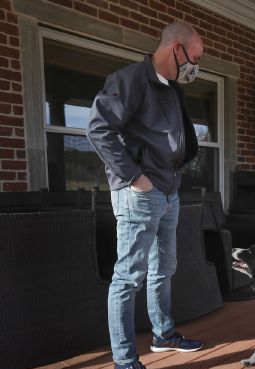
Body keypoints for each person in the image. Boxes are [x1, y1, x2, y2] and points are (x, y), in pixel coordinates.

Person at [87, 21, 204, 369]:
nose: (196, 66)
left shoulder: (170, 88)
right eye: (195, 57)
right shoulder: (133, 79)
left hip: (168, 192)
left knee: (163, 269)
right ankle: (124, 360)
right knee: (128, 277)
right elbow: (98, 128)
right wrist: (135, 177)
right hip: (140, 193)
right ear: (176, 49)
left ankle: (163, 334)